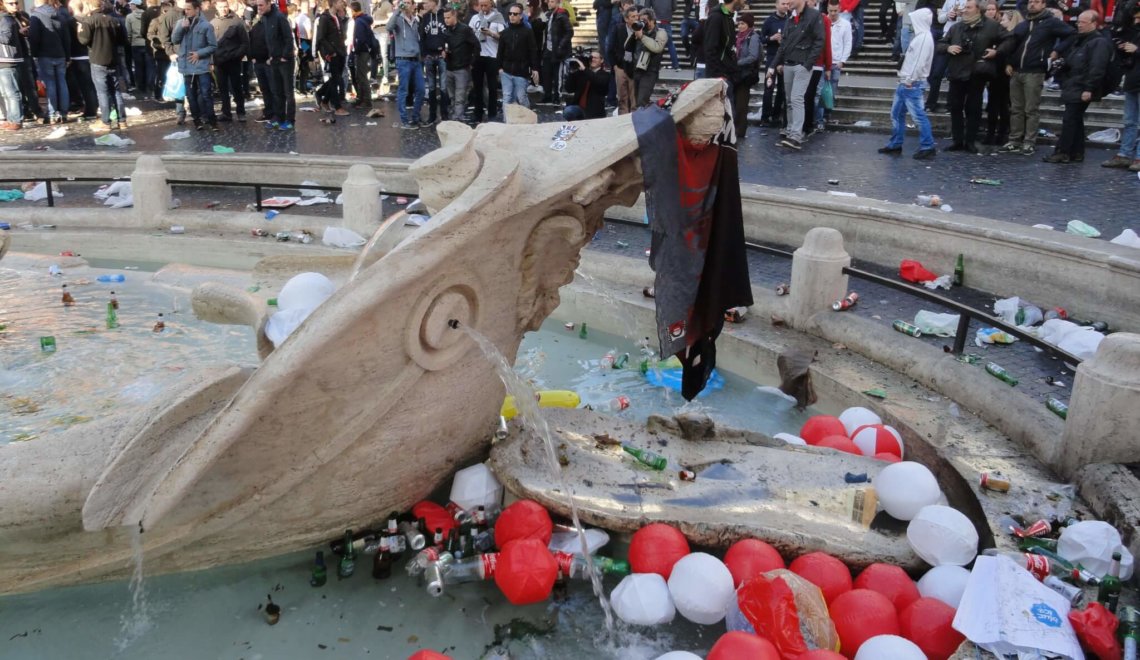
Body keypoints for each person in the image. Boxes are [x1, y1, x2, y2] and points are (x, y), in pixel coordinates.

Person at [997, 0, 1073, 154]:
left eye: (1036, 2)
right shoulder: (1023, 25)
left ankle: (1029, 141)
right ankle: (1014, 140)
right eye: (1030, 2)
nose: (1032, 4)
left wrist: (1056, 51)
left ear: (1043, 4)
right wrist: (1009, 63)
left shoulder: (1051, 23)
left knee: (1031, 109)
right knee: (1016, 108)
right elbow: (1013, 45)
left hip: (1035, 70)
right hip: (1017, 70)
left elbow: (1072, 34)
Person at [1044, 10, 1111, 162]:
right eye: (1078, 22)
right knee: (1075, 120)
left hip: (1081, 85)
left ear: (1093, 24)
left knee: (1070, 119)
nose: (1078, 25)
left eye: (1083, 22)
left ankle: (1063, 152)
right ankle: (1076, 152)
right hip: (1074, 84)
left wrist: (1089, 88)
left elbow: (1097, 67)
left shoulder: (1098, 42)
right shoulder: (1080, 40)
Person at [938, 0, 1001, 152]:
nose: (964, 10)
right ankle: (958, 140)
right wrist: (948, 47)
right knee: (955, 107)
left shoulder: (991, 26)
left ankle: (970, 141)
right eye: (965, 7)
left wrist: (996, 51)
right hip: (957, 73)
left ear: (978, 10)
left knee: (974, 108)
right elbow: (940, 44)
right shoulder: (956, 27)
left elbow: (1007, 40)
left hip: (977, 73)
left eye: (968, 7)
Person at [877, 6, 936, 157]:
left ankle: (927, 146)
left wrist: (909, 79)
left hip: (911, 83)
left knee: (917, 116)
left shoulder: (923, 38)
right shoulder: (922, 36)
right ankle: (896, 143)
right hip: (908, 82)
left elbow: (918, 62)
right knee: (897, 114)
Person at [769, 0, 825, 150]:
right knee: (789, 100)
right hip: (789, 63)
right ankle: (790, 132)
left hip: (801, 64)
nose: (787, 3)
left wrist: (808, 64)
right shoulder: (791, 18)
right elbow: (784, 44)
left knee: (796, 99)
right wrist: (774, 65)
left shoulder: (813, 15)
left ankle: (796, 136)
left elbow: (820, 41)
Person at [76, 0, 127, 131]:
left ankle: (106, 121)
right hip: (113, 59)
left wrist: (79, 30)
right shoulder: (114, 20)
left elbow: (83, 40)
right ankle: (122, 121)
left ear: (89, 5)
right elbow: (123, 40)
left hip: (98, 59)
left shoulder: (89, 21)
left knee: (102, 92)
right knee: (116, 91)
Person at [1102, 0, 1139, 170]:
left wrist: (1137, 50)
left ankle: (1137, 156)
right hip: (1133, 79)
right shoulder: (1133, 30)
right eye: (1135, 18)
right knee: (1129, 120)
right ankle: (1125, 154)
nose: (1136, 21)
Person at [171, 0, 216, 129]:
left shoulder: (206, 25)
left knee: (206, 93)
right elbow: (174, 40)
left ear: (197, 9)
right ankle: (197, 121)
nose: (186, 11)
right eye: (185, 9)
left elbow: (213, 46)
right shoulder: (180, 23)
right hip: (186, 67)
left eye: (189, 9)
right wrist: (181, 28)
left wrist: (199, 53)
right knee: (191, 96)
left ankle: (211, 120)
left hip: (201, 66)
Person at [258, 0, 295, 129]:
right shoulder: (265, 18)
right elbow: (270, 40)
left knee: (288, 92)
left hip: (285, 61)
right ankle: (279, 118)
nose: (259, 8)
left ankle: (290, 120)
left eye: (261, 5)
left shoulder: (279, 17)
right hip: (274, 60)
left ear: (269, 4)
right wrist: (270, 56)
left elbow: (288, 38)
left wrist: (285, 56)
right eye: (258, 5)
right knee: (277, 91)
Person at [387, 0, 422, 127]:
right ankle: (404, 120)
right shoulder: (398, 19)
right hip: (403, 59)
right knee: (403, 90)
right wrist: (397, 11)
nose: (406, 5)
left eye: (409, 2)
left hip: (416, 60)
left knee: (421, 89)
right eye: (404, 2)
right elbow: (388, 27)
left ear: (413, 5)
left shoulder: (416, 20)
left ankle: (416, 117)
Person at [496, 1, 537, 108]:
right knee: (507, 97)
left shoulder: (527, 32)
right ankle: (508, 122)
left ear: (521, 15)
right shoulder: (505, 32)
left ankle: (527, 118)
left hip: (521, 71)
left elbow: (533, 50)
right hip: (506, 70)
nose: (512, 16)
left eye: (515, 14)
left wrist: (534, 68)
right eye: (510, 14)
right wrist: (499, 67)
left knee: (521, 97)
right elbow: (500, 51)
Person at [469, 0, 504, 122]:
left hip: (492, 56)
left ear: (491, 4)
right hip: (478, 56)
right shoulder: (475, 18)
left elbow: (502, 37)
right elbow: (469, 34)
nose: (483, 8)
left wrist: (491, 33)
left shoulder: (498, 17)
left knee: (492, 87)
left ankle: (492, 114)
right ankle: (478, 114)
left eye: (485, 5)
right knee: (477, 87)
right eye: (481, 5)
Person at [211, 0, 246, 121]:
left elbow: (245, 43)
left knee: (236, 87)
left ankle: (241, 112)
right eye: (221, 7)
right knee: (222, 88)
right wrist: (212, 60)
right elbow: (210, 44)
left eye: (225, 6)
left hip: (233, 61)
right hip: (219, 62)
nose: (223, 9)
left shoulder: (237, 21)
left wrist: (237, 55)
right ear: (216, 7)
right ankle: (226, 112)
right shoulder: (212, 23)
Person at [442, 5, 476, 122]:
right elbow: (445, 47)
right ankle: (455, 117)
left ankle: (457, 118)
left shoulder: (465, 29)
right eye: (444, 18)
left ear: (454, 16)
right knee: (452, 96)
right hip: (449, 67)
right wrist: (444, 53)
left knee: (460, 96)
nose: (446, 20)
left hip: (462, 68)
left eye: (448, 17)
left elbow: (476, 46)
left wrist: (471, 62)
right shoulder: (446, 31)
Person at [819, 0, 849, 126]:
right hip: (822, 61)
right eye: (830, 11)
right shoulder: (822, 21)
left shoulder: (845, 24)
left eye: (835, 11)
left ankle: (827, 114)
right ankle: (819, 118)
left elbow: (848, 43)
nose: (832, 13)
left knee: (831, 91)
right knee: (820, 90)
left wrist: (843, 60)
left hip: (836, 62)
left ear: (840, 9)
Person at [760, 0, 789, 126]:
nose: (785, 6)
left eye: (787, 4)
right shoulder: (769, 20)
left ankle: (776, 116)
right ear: (776, 5)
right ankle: (765, 117)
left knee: (782, 90)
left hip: (785, 59)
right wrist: (771, 38)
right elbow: (761, 39)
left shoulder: (790, 20)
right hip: (772, 58)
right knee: (768, 87)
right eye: (783, 3)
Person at [315, 0, 347, 113]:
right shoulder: (324, 18)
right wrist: (330, 51)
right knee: (336, 78)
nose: (342, 3)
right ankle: (337, 106)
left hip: (341, 51)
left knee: (336, 79)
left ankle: (322, 97)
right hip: (332, 53)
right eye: (340, 2)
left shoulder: (338, 17)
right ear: (333, 3)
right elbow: (320, 37)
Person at [419, 0, 448, 122]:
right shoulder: (425, 17)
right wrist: (423, 54)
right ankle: (432, 115)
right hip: (429, 56)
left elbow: (449, 34)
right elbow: (421, 36)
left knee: (443, 87)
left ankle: (444, 115)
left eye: (427, 2)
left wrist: (446, 49)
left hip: (442, 56)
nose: (424, 5)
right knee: (431, 87)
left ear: (434, 2)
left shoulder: (444, 15)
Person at [732, 12, 760, 136]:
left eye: (743, 23)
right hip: (735, 74)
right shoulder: (737, 36)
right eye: (739, 23)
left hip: (745, 75)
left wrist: (738, 62)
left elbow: (753, 56)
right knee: (734, 103)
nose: (740, 25)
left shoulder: (753, 37)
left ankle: (740, 131)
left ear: (748, 24)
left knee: (741, 105)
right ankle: (733, 128)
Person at [606, 4, 637, 113]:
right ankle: (623, 119)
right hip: (620, 67)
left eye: (636, 16)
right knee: (622, 98)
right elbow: (610, 47)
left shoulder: (640, 30)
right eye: (633, 17)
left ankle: (634, 121)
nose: (635, 18)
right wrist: (614, 66)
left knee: (634, 98)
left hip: (634, 67)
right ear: (626, 19)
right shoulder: (618, 28)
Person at [631, 7, 665, 107]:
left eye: (645, 21)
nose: (643, 23)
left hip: (650, 72)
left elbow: (657, 47)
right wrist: (635, 31)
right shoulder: (640, 31)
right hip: (637, 70)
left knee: (642, 101)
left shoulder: (661, 32)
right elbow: (626, 46)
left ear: (652, 20)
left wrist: (642, 37)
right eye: (641, 20)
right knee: (637, 102)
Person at [538, 0, 570, 104]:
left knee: (557, 75)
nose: (549, 3)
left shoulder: (562, 14)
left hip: (557, 49)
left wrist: (561, 46)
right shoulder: (548, 14)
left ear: (557, 3)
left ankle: (557, 96)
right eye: (549, 1)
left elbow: (569, 32)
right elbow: (540, 28)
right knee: (546, 73)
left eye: (552, 1)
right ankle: (547, 95)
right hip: (547, 48)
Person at [703, 0, 742, 83]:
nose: (745, 1)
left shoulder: (729, 18)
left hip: (728, 74)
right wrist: (717, 75)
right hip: (719, 77)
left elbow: (729, 48)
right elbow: (710, 48)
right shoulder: (716, 17)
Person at [562, 47, 608, 117]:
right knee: (568, 111)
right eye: (591, 58)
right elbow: (569, 89)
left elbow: (598, 81)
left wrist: (585, 69)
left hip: (594, 110)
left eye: (595, 58)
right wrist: (572, 72)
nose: (593, 59)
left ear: (602, 60)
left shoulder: (604, 74)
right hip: (579, 108)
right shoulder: (582, 73)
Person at [0, 0, 23, 129]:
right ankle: (11, 119)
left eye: (15, 3)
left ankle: (16, 120)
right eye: (11, 3)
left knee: (11, 92)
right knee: (5, 92)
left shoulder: (6, 19)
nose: (15, 5)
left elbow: (6, 38)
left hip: (8, 59)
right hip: (3, 59)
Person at [125, 0, 154, 94]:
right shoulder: (147, 15)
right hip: (147, 42)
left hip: (135, 44)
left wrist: (130, 41)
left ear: (135, 5)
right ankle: (150, 86)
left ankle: (140, 87)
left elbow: (128, 32)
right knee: (149, 66)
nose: (129, 6)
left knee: (138, 67)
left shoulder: (129, 17)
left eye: (131, 4)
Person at [349, 1, 374, 108]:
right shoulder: (364, 19)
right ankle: (361, 98)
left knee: (362, 76)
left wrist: (356, 50)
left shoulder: (358, 21)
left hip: (362, 51)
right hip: (365, 51)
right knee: (360, 76)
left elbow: (360, 39)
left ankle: (366, 100)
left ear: (353, 10)